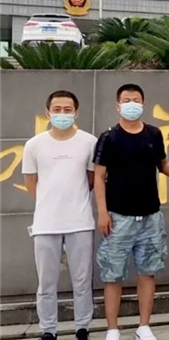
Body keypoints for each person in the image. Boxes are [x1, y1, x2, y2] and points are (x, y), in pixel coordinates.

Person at [94, 84, 169, 340]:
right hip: (118, 217)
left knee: (147, 272)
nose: (132, 104)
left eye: (136, 100)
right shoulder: (109, 138)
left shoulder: (154, 133)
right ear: (118, 105)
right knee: (112, 274)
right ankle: (112, 329)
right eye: (127, 100)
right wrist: (102, 212)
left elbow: (163, 165)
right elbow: (99, 177)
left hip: (151, 216)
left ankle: (144, 326)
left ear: (143, 103)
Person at [23, 91, 97, 340]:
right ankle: (48, 330)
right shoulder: (34, 145)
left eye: (67, 110)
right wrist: (50, 203)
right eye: (57, 109)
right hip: (46, 224)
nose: (62, 114)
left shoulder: (89, 142)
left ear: (76, 112)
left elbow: (91, 180)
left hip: (80, 222)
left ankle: (82, 327)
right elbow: (31, 183)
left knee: (82, 280)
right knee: (46, 283)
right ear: (48, 112)